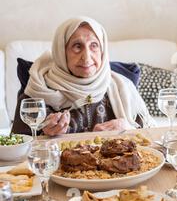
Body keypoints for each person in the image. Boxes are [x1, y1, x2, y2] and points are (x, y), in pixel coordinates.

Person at [11, 16, 154, 136]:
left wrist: (127, 128)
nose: (86, 57)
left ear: (102, 51)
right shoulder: (37, 90)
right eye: (77, 46)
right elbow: (16, 149)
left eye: (94, 45)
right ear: (61, 52)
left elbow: (152, 137)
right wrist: (44, 134)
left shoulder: (122, 87)